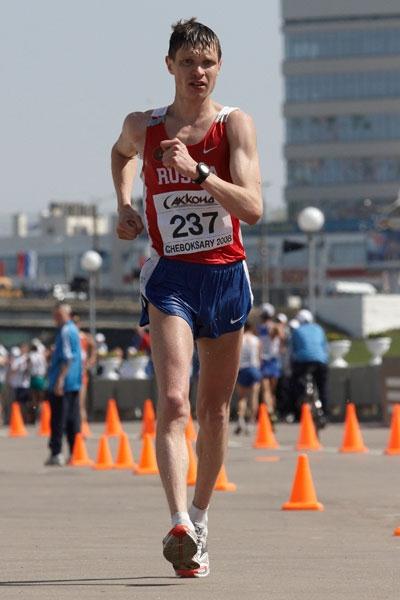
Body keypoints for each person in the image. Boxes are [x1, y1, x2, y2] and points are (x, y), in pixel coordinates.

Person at [111, 18, 262, 578]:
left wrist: (198, 172)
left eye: (208, 63)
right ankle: (177, 522)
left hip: (224, 275)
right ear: (169, 66)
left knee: (213, 412)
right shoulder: (143, 126)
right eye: (188, 63)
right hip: (170, 275)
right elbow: (119, 153)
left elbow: (251, 208)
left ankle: (199, 517)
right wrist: (125, 206)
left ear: (218, 67)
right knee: (174, 402)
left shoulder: (234, 125)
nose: (199, 73)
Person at [45, 303, 82, 466]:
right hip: (74, 382)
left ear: (67, 315)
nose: (56, 319)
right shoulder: (74, 330)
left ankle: (56, 452)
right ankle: (75, 451)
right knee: (72, 419)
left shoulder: (66, 331)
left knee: (58, 419)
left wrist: (60, 380)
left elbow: (67, 357)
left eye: (58, 316)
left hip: (63, 382)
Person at [289, 309, 329, 419]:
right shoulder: (319, 329)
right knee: (322, 387)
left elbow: (292, 350)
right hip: (321, 361)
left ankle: (298, 413)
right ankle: (324, 413)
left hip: (303, 362)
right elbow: (325, 347)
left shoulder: (297, 331)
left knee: (296, 384)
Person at [235, 322, 262, 435]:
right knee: (254, 397)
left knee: (242, 398)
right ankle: (251, 422)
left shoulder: (239, 339)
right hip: (254, 369)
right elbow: (260, 357)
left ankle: (240, 420)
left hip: (242, 369)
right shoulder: (257, 340)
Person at [258, 303, 283, 422]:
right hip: (274, 361)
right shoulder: (276, 327)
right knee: (272, 391)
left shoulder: (259, 328)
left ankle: (270, 411)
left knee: (266, 390)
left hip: (264, 361)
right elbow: (281, 339)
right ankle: (272, 410)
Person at [71, 312, 96, 424]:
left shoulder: (84, 338)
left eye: (76, 322)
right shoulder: (68, 336)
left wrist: (89, 364)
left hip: (81, 375)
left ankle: (82, 428)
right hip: (69, 375)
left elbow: (93, 352)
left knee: (80, 403)